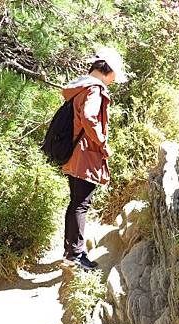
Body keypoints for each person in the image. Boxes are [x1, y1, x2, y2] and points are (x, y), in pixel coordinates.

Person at [61, 47, 127, 270]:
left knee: (76, 202)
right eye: (114, 74)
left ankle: (71, 251)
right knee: (81, 203)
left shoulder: (81, 86)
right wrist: (102, 143)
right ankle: (76, 256)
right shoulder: (95, 89)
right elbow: (90, 117)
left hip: (74, 153)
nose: (114, 80)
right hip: (86, 154)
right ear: (107, 70)